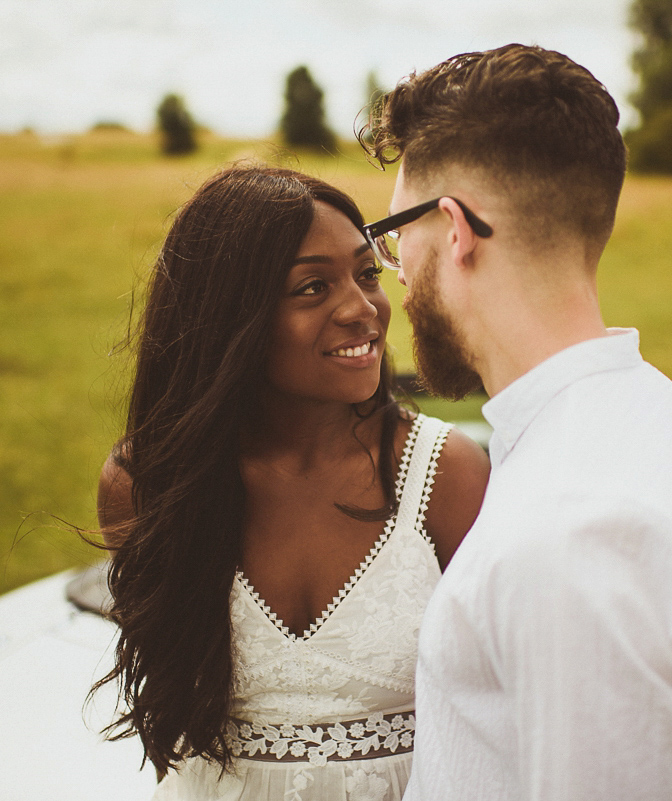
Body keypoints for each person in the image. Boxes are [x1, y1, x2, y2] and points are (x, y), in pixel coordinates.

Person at [362, 45, 672, 800]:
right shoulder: (647, 408)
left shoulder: (572, 535)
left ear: (453, 229)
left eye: (393, 237)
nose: (397, 273)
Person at [93, 164, 490, 801]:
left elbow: (499, 708)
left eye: (367, 274)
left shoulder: (445, 475)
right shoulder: (148, 484)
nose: (363, 310)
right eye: (312, 288)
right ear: (231, 316)